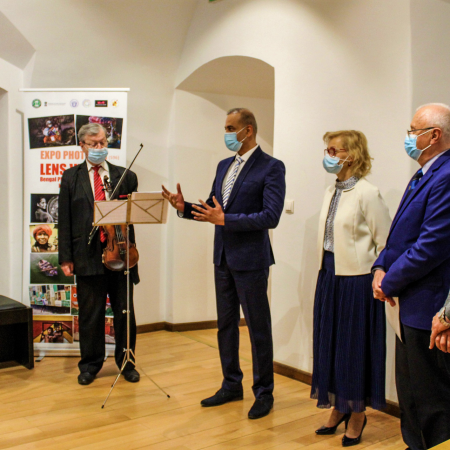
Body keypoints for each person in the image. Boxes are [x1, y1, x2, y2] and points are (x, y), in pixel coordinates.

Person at [162, 108, 286, 419]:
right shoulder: (223, 166)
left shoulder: (271, 167)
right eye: (226, 128)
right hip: (223, 258)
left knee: (257, 327)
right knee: (226, 325)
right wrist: (184, 207)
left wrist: (226, 219)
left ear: (248, 130)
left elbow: (270, 216)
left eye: (231, 128)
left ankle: (264, 392)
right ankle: (231, 384)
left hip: (252, 260)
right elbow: (211, 209)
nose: (227, 134)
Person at [372, 103, 450, 449]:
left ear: (434, 135)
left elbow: (431, 245)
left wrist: (388, 282)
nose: (408, 137)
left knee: (432, 401)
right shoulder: (423, 174)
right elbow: (398, 237)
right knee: (411, 395)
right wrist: (379, 268)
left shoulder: (446, 175)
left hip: (428, 306)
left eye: (412, 131)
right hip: (407, 305)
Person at [311, 130, 391, 446]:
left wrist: (379, 276)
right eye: (327, 150)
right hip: (329, 275)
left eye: (334, 150)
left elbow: (386, 242)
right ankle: (339, 407)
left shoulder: (368, 193)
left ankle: (357, 413)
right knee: (330, 345)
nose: (328, 156)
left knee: (352, 348)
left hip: (356, 281)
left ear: (351, 156)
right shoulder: (331, 190)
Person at [59, 123, 140, 386]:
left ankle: (127, 362)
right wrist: (66, 257)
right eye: (93, 144)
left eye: (103, 142)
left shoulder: (125, 176)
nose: (99, 147)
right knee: (90, 314)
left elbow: (132, 217)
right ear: (82, 146)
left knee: (124, 312)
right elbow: (64, 219)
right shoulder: (71, 177)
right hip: (86, 254)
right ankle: (90, 365)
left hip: (121, 251)